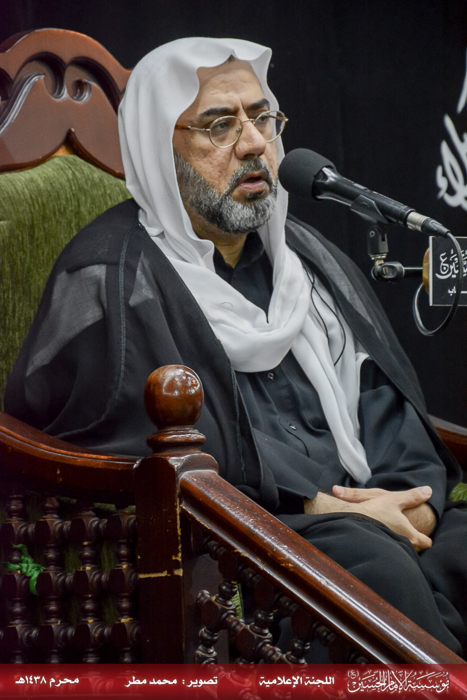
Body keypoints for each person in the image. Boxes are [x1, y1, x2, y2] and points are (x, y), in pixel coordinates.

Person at [5, 37, 467, 658]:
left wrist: (415, 504)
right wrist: (324, 506)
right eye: (220, 125)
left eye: (263, 117)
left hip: (374, 516)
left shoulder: (307, 260)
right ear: (159, 147)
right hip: (244, 534)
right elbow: (119, 441)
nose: (253, 144)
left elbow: (384, 401)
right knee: (371, 563)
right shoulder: (113, 278)